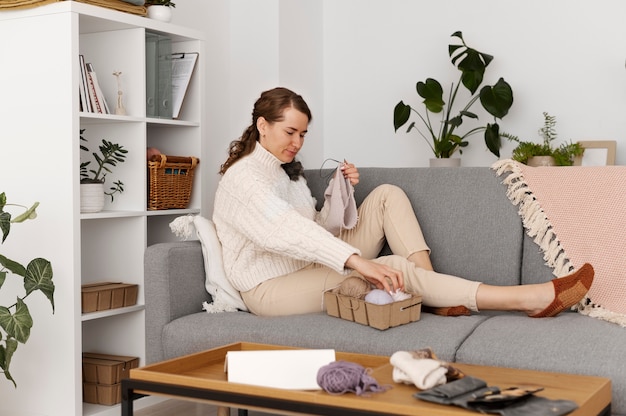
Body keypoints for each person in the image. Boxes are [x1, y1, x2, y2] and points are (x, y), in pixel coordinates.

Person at [212, 87, 594, 318]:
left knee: (386, 195)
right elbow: (284, 232)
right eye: (289, 131)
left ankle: (430, 296)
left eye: (303, 134)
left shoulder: (284, 172)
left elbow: (315, 228)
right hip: (270, 287)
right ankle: (527, 298)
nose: (297, 142)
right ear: (263, 126)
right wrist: (359, 262)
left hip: (307, 262)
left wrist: (337, 193)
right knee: (389, 265)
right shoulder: (243, 178)